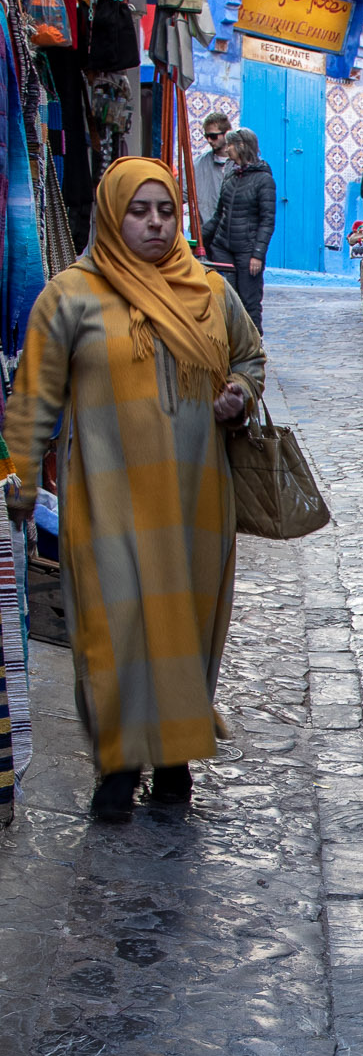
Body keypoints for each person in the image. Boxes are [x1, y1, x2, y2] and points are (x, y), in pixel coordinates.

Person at [4, 159, 264, 823]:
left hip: (195, 499)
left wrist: (241, 392)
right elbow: (33, 399)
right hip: (110, 499)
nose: (153, 223)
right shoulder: (71, 296)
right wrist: (21, 487)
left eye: (166, 210)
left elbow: (248, 355)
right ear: (111, 215)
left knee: (185, 629)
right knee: (115, 627)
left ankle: (174, 763)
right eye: (138, 210)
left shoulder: (207, 290)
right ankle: (118, 767)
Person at [206, 128, 275, 330]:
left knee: (249, 300)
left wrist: (258, 254)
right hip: (223, 246)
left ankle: (253, 347)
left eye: (230, 145)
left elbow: (267, 220)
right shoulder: (230, 175)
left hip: (247, 250)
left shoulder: (264, 180)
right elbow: (219, 214)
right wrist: (199, 239)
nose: (227, 149)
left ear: (241, 146)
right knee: (225, 297)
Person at [193, 113, 232, 244]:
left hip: (233, 240)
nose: (209, 140)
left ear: (227, 134)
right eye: (206, 136)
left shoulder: (241, 165)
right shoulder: (197, 164)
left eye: (213, 136)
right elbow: (177, 194)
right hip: (205, 238)